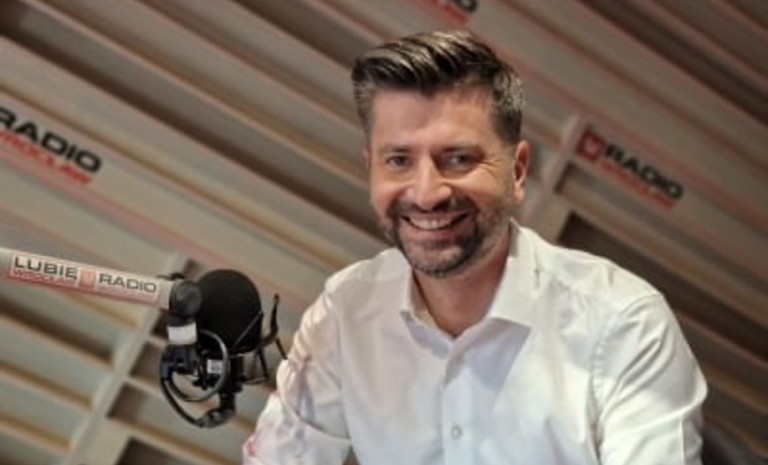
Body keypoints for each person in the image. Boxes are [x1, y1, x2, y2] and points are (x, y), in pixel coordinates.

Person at [242, 29, 707, 465]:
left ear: (518, 171)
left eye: (459, 158)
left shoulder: (624, 325)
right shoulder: (345, 312)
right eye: (398, 160)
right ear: (371, 169)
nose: (427, 193)